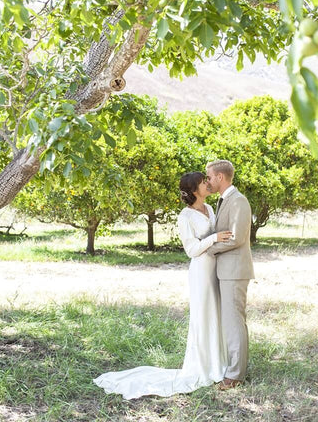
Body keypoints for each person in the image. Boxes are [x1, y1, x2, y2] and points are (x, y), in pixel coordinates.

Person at [93, 171, 232, 399]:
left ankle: (219, 363)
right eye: (203, 182)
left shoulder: (210, 209)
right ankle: (203, 366)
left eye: (208, 180)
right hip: (201, 270)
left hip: (216, 268)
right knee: (203, 316)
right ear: (194, 190)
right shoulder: (185, 216)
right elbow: (191, 250)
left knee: (216, 314)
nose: (208, 184)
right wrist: (214, 238)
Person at [206, 160, 254, 390]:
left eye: (209, 177)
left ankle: (235, 375)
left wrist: (207, 248)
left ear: (220, 177)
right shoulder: (223, 200)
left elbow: (236, 237)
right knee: (229, 321)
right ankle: (232, 366)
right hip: (225, 270)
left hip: (235, 272)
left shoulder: (239, 201)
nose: (207, 181)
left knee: (235, 322)